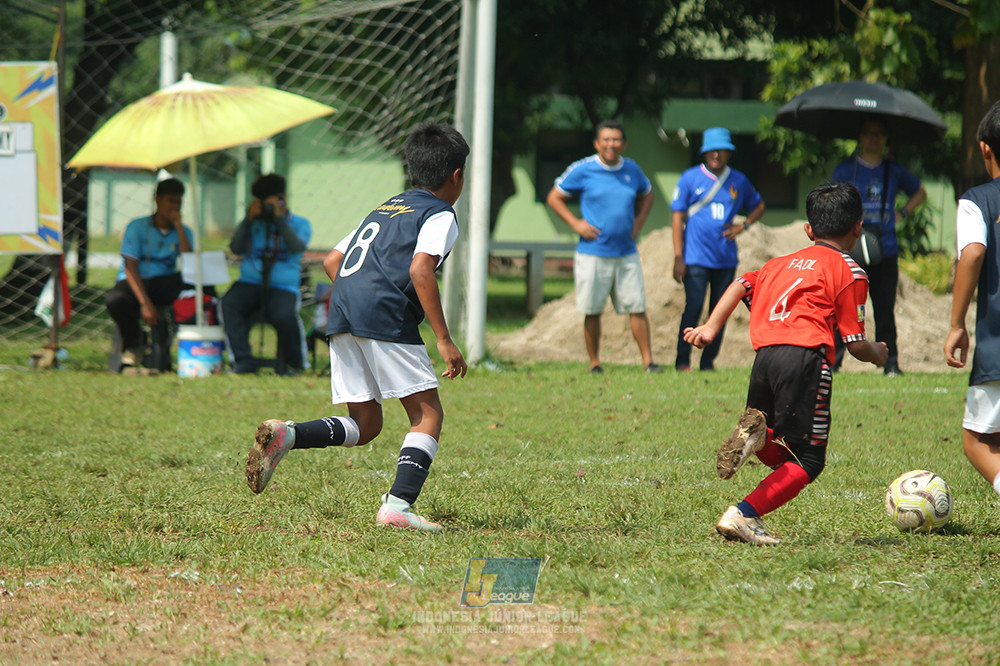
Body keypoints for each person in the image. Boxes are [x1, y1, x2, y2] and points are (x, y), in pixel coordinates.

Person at [244, 123, 469, 532]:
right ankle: (398, 506)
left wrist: (360, 297)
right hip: (383, 312)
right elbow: (421, 269)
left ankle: (287, 435)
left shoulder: (387, 207)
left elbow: (334, 260)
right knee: (427, 414)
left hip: (343, 311)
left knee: (366, 425)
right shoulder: (440, 213)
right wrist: (444, 339)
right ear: (457, 176)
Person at [683, 182, 887, 545]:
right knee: (809, 459)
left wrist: (710, 328)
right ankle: (744, 514)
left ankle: (760, 438)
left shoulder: (778, 264)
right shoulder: (850, 271)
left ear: (808, 230)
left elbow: (740, 284)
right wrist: (879, 353)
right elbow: (854, 344)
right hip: (804, 360)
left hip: (765, 358)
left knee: (785, 447)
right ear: (858, 227)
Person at [546, 119, 660, 374]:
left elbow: (648, 193)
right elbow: (554, 197)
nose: (611, 145)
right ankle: (595, 362)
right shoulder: (583, 169)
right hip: (593, 253)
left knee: (637, 307)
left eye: (616, 140)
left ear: (624, 143)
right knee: (592, 309)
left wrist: (639, 222)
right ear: (597, 143)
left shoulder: (632, 170)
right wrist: (576, 224)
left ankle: (648, 362)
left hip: (627, 252)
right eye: (606, 140)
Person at [832, 117, 927, 376]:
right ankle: (834, 362)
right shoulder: (845, 170)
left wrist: (903, 213)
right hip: (851, 249)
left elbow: (920, 192)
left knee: (885, 310)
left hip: (885, 248)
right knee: (844, 307)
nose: (874, 138)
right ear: (860, 137)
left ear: (886, 139)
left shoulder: (893, 170)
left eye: (880, 134)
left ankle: (891, 363)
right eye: (869, 133)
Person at [672, 127, 766, 372]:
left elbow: (759, 206)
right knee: (693, 307)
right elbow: (676, 217)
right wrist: (678, 256)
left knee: (719, 311)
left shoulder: (739, 180)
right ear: (704, 153)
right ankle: (682, 361)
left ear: (729, 153)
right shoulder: (690, 178)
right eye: (712, 150)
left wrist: (743, 226)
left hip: (725, 258)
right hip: (695, 257)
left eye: (722, 151)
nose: (717, 155)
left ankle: (708, 362)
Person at [944, 100, 1000, 504]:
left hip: (998, 344)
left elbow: (974, 253)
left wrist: (956, 323)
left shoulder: (977, 199)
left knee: (976, 439)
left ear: (984, 148)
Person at [221, 173, 312, 375]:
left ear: (282, 199)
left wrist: (280, 219)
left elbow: (297, 247)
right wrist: (247, 220)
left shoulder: (299, 223)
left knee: (284, 315)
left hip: (283, 287)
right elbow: (236, 248)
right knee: (229, 303)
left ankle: (293, 364)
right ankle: (243, 361)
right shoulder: (254, 222)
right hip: (250, 282)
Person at [105, 178, 193, 368]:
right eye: (171, 201)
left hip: (163, 281)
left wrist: (178, 228)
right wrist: (145, 303)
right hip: (136, 281)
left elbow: (189, 264)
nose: (175, 207)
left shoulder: (184, 231)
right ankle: (135, 342)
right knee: (115, 300)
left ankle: (194, 344)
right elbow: (130, 267)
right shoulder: (137, 227)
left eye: (179, 202)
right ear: (157, 200)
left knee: (200, 287)